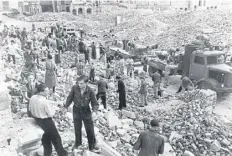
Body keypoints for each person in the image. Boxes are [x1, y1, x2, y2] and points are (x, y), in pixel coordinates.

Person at [29, 84, 68, 156]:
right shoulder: (44, 101)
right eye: (46, 91)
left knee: (45, 138)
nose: (48, 92)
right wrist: (54, 109)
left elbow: (30, 109)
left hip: (37, 120)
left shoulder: (33, 98)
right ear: (41, 92)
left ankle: (47, 153)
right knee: (56, 138)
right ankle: (62, 153)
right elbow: (51, 114)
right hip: (46, 121)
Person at [65, 76, 100, 152]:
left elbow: (95, 103)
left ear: (86, 83)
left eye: (81, 84)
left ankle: (92, 146)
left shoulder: (90, 91)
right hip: (76, 110)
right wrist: (66, 106)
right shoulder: (74, 88)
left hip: (86, 111)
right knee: (77, 128)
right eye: (78, 83)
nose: (79, 85)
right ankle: (77, 144)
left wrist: (94, 112)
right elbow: (69, 98)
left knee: (90, 129)